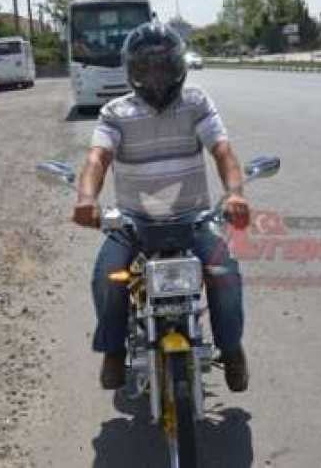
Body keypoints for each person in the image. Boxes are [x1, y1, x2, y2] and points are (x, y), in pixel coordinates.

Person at [71, 21, 251, 392]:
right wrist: (87, 199)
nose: (155, 74)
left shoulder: (196, 102)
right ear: (132, 69)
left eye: (163, 64)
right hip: (133, 223)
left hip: (194, 220)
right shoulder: (115, 113)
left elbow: (223, 151)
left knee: (225, 273)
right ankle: (113, 351)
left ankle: (232, 349)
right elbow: (97, 160)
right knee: (108, 276)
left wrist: (234, 193)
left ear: (178, 65)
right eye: (145, 66)